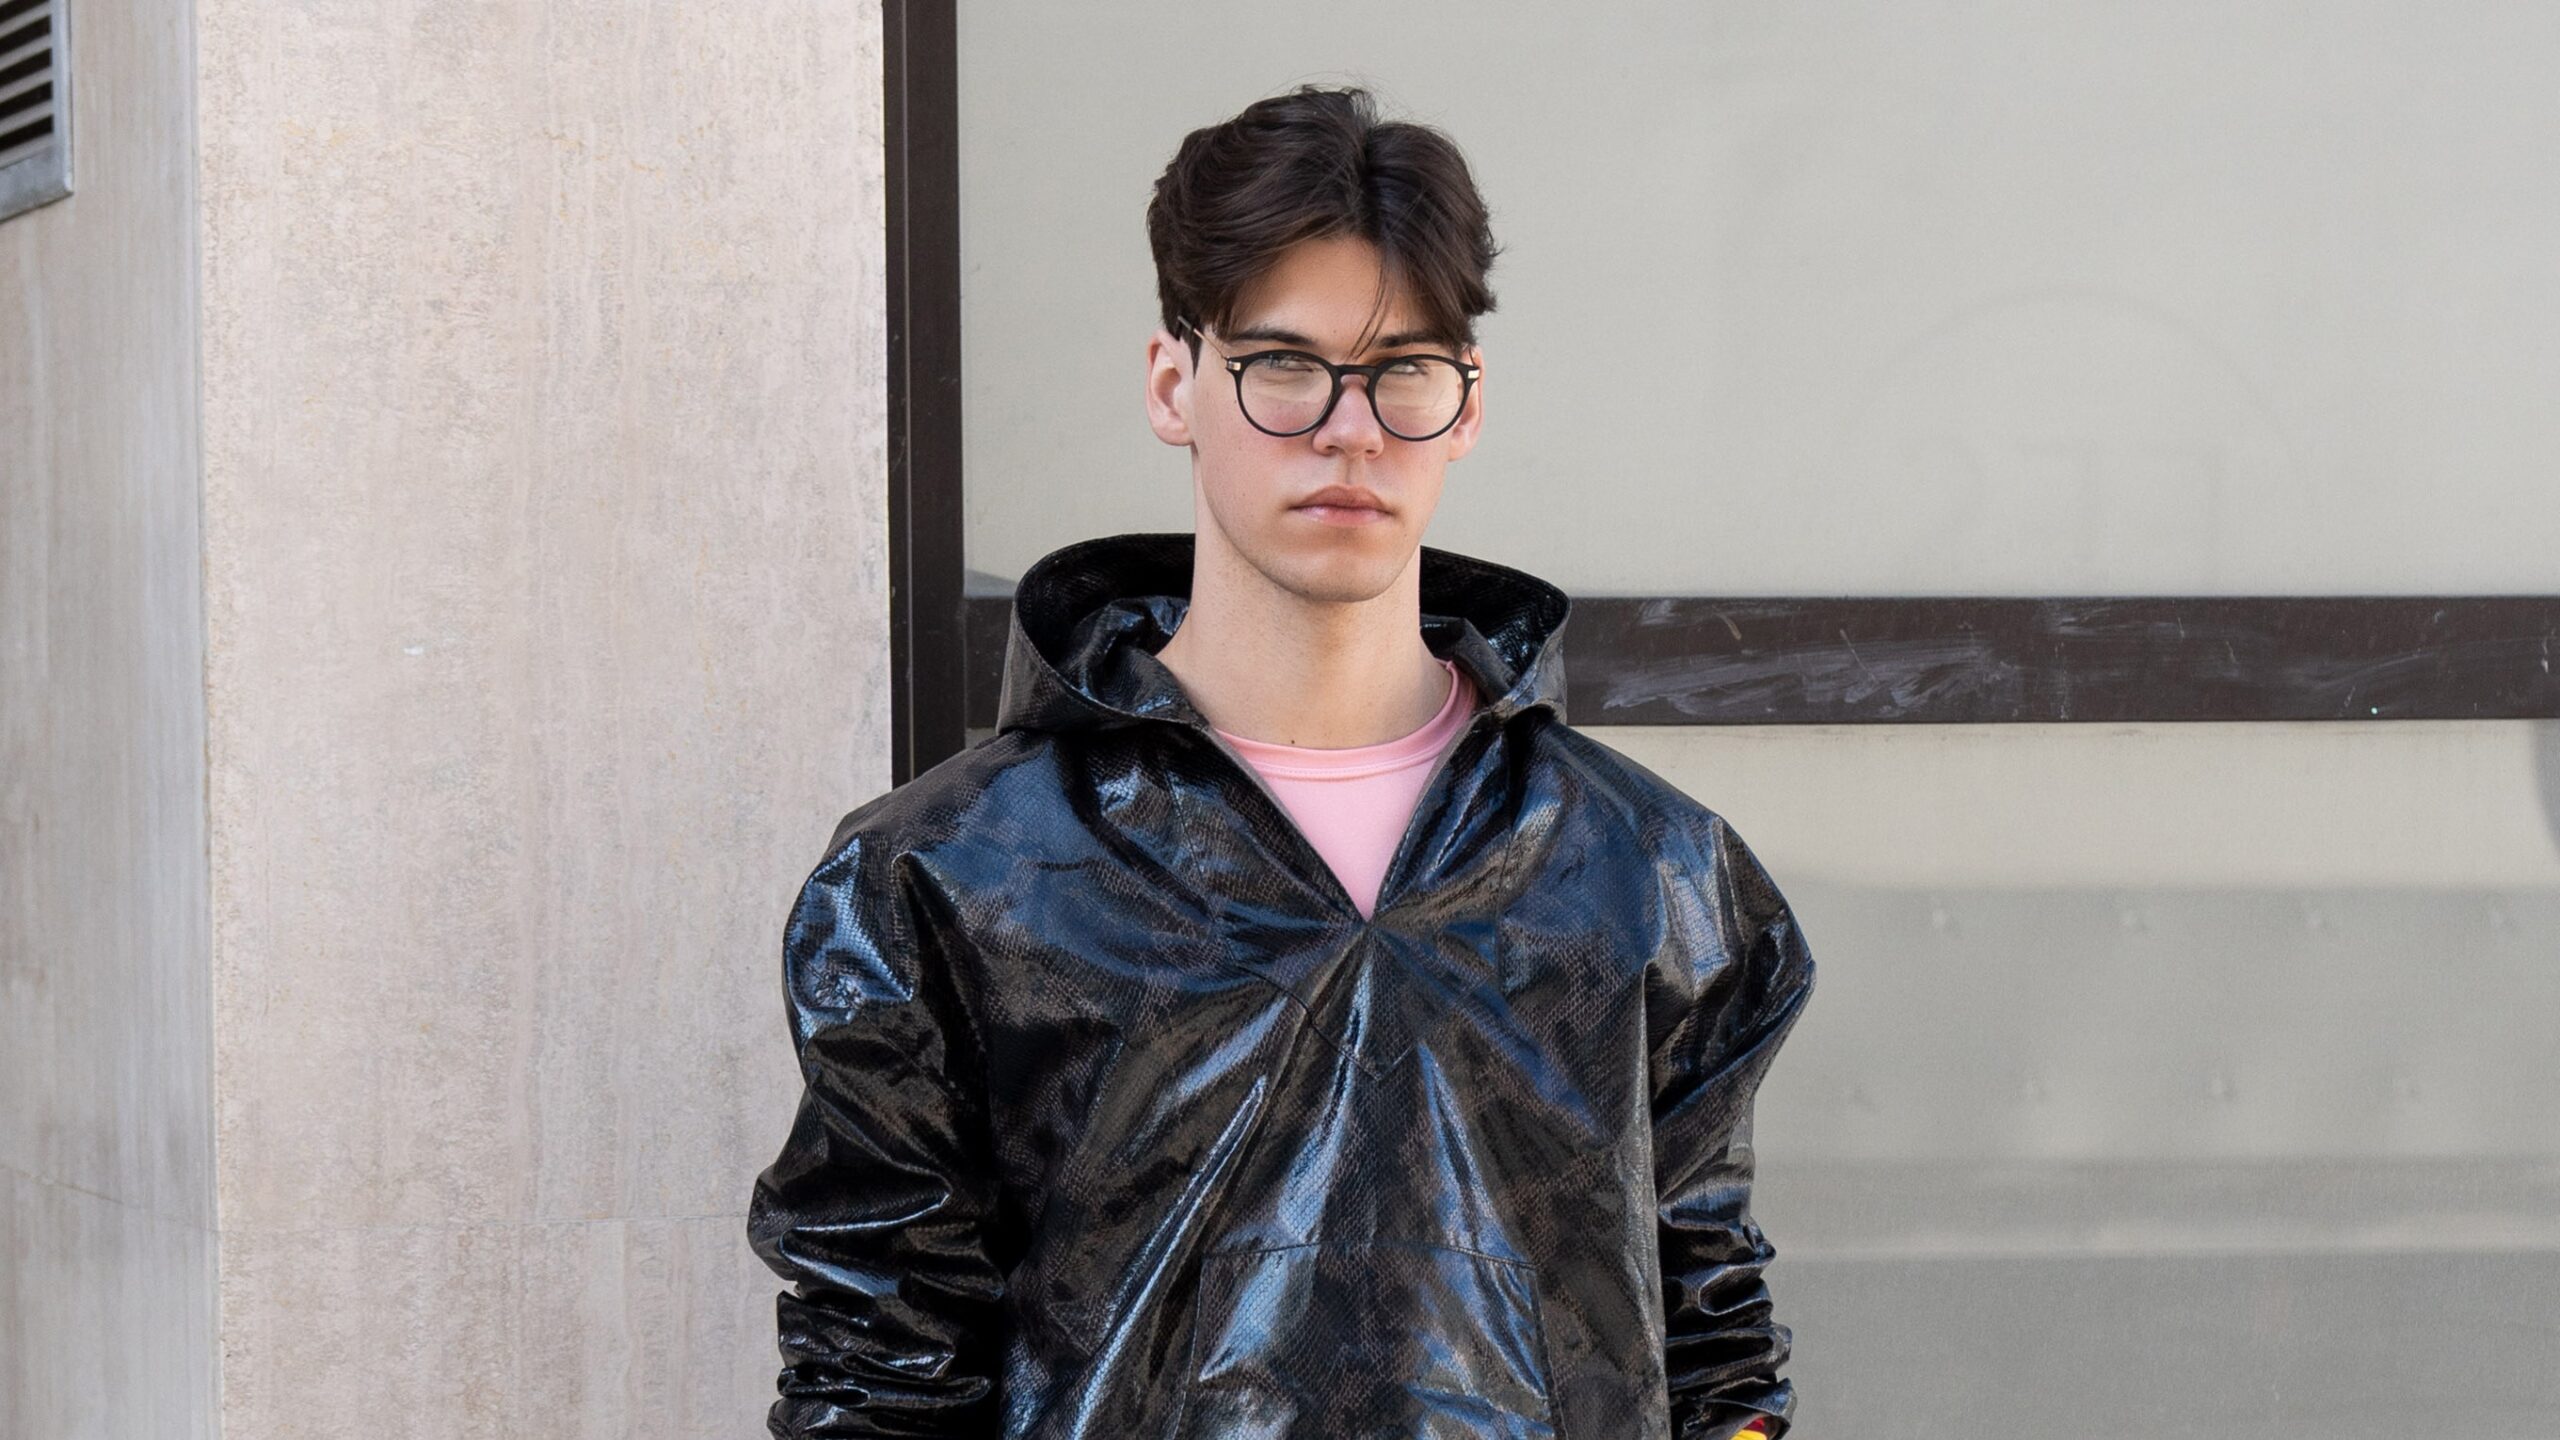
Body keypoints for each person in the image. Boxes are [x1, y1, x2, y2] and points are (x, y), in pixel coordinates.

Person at [749, 84, 1814, 1440]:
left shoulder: (1651, 872)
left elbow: (1713, 1341)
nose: (1348, 428)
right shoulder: (950, 878)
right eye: (1284, 365)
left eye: (1402, 370)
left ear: (1467, 402)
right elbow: (878, 1370)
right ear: (1173, 383)